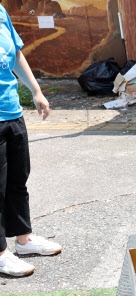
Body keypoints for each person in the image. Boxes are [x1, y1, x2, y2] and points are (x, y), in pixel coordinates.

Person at [0, 5, 62, 277]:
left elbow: (15, 55)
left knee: (17, 179)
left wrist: (36, 91)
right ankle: (1, 253)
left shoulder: (1, 12)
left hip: (11, 110)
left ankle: (23, 240)